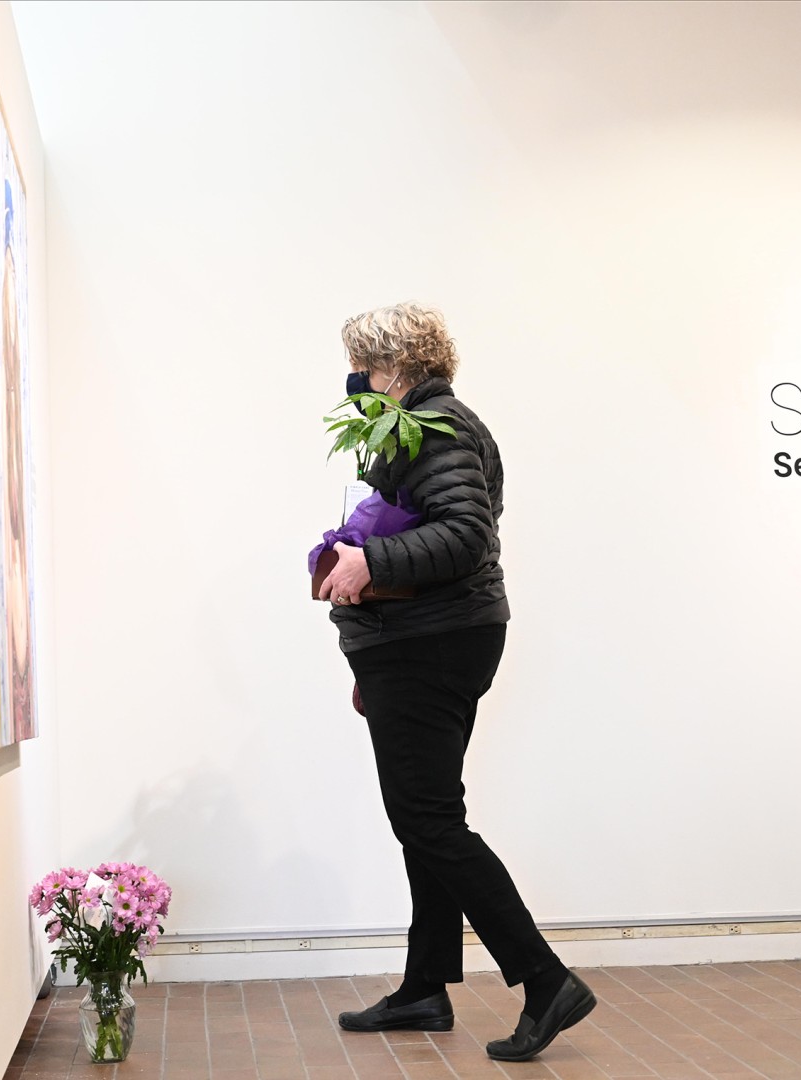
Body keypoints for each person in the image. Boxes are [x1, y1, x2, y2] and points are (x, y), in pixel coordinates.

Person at [317, 302, 595, 1062]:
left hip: (431, 645)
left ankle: (544, 981)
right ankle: (425, 986)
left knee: (430, 819)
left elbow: (464, 534)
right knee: (425, 817)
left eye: (366, 370)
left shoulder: (437, 427)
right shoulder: (422, 424)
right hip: (419, 644)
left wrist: (370, 564)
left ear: (396, 368)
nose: (356, 384)